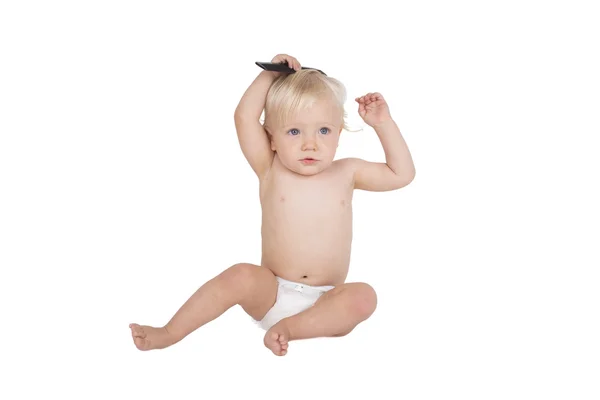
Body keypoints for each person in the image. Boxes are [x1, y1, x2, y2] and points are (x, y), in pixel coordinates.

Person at [129, 53, 416, 356]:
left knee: (364, 297)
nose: (310, 144)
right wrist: (271, 75)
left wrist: (383, 124)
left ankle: (289, 330)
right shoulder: (270, 167)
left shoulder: (347, 172)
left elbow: (402, 174)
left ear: (338, 135)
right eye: (294, 131)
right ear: (272, 139)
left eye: (324, 131)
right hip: (272, 292)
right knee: (240, 274)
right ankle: (170, 332)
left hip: (327, 302)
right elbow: (244, 117)